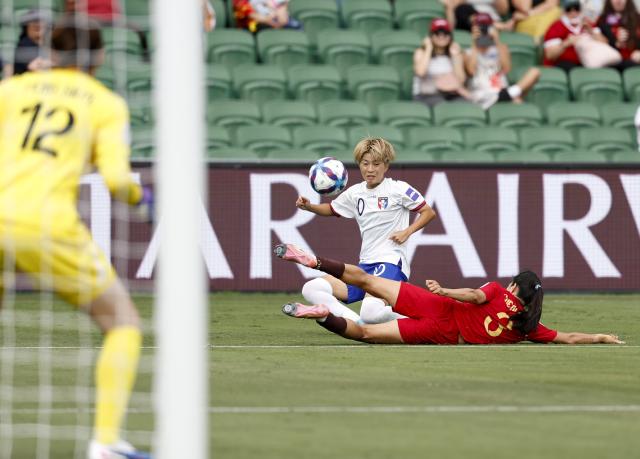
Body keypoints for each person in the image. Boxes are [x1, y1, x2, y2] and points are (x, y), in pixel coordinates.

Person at [0, 16, 152, 459]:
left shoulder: (10, 91)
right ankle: (105, 444)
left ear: (51, 50)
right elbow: (117, 182)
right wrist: (143, 199)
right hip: (46, 224)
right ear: (99, 57)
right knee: (122, 323)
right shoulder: (104, 103)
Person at [275, 244, 624, 346]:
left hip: (438, 305)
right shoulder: (528, 327)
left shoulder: (500, 292)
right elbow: (568, 338)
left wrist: (445, 290)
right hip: (444, 334)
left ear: (515, 286)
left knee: (366, 280)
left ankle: (315, 260)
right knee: (365, 333)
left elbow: (473, 295)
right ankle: (322, 314)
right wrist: (601, 337)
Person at [294, 138, 436, 325]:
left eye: (376, 164)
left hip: (390, 262)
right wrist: (309, 207)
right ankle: (357, 324)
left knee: (370, 312)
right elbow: (333, 209)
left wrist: (407, 231)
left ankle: (422, 323)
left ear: (386, 165)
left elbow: (428, 212)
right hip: (364, 266)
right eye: (365, 163)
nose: (370, 169)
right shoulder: (355, 193)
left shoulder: (398, 189)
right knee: (311, 289)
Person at [464, 13, 540, 109]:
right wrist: (475, 43)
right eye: (480, 26)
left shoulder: (501, 48)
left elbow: (506, 68)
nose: (484, 30)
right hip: (483, 93)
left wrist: (496, 40)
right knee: (517, 101)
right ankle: (511, 94)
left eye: (486, 26)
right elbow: (471, 71)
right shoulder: (469, 51)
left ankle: (508, 94)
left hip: (500, 89)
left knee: (534, 72)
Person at [413, 18, 471, 106]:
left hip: (450, 94)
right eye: (437, 33)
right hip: (426, 95)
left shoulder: (455, 53)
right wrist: (429, 48)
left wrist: (456, 56)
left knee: (466, 104)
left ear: (450, 36)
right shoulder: (421, 52)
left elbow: (461, 80)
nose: (441, 36)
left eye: (445, 33)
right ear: (431, 36)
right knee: (443, 105)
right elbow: (421, 72)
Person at [543, 0, 609, 71]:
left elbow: (605, 44)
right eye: (569, 9)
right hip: (562, 65)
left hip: (586, 63)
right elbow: (550, 55)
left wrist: (591, 32)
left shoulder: (587, 24)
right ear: (563, 11)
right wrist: (566, 43)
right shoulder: (556, 27)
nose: (573, 13)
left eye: (576, 9)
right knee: (568, 66)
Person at [597, 0, 640, 69]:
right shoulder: (602, 20)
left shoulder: (637, 19)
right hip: (611, 63)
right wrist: (616, 43)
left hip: (634, 63)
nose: (618, 1)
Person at [12, 9, 51, 77]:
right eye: (36, 29)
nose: (38, 24)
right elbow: (34, 68)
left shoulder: (49, 44)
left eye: (43, 28)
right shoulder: (24, 45)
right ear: (26, 28)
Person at [233, 0, 301, 33]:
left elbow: (282, 5)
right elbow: (244, 10)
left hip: (277, 19)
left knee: (297, 27)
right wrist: (266, 19)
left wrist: (281, 12)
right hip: (253, 25)